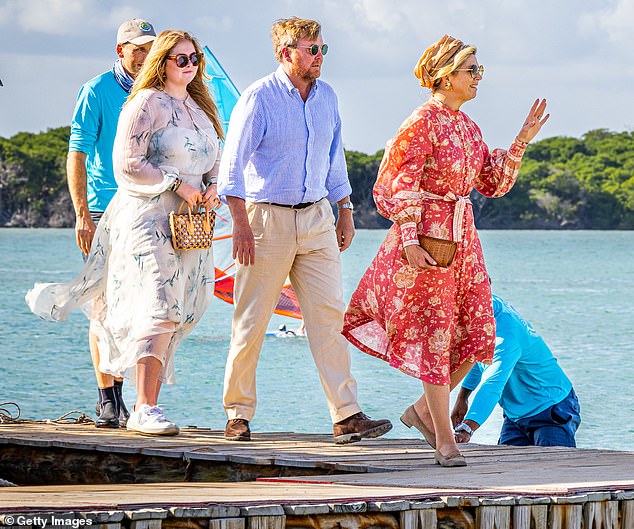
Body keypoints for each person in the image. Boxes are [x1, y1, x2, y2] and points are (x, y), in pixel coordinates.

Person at [342, 34, 549, 466]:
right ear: (444, 76)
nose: (478, 77)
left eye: (479, 70)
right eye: (471, 70)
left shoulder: (467, 126)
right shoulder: (422, 121)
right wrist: (411, 239)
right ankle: (444, 440)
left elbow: (492, 184)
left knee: (478, 337)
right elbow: (397, 183)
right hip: (430, 239)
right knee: (436, 336)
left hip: (464, 242)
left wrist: (522, 140)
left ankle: (421, 410)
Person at [27, 29, 224, 436]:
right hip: (147, 217)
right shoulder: (145, 103)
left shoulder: (201, 110)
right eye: (180, 59)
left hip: (189, 224)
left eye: (194, 59)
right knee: (159, 303)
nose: (189, 66)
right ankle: (143, 407)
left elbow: (214, 159)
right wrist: (177, 184)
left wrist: (213, 188)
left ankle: (143, 402)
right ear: (162, 62)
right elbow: (127, 163)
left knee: (185, 304)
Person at [217, 16, 392, 444]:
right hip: (265, 220)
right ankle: (238, 414)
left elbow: (336, 159)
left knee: (331, 318)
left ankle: (346, 416)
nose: (319, 57)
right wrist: (240, 224)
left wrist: (346, 208)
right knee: (252, 320)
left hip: (317, 218)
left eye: (322, 49)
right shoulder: (258, 98)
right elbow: (231, 168)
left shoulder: (327, 97)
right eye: (311, 50)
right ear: (286, 53)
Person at [67, 18, 156, 428]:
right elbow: (78, 154)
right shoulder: (96, 90)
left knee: (141, 306)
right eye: (136, 48)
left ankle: (131, 399)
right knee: (102, 305)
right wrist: (82, 215)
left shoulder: (159, 89)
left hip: (147, 210)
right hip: (104, 210)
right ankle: (107, 397)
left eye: (149, 47)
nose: (143, 55)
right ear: (120, 51)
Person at [451, 294, 581, 447]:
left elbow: (492, 386)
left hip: (551, 408)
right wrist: (463, 397)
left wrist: (467, 428)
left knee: (554, 467)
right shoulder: (486, 309)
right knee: (506, 466)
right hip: (516, 415)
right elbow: (478, 359)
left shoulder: (505, 338)